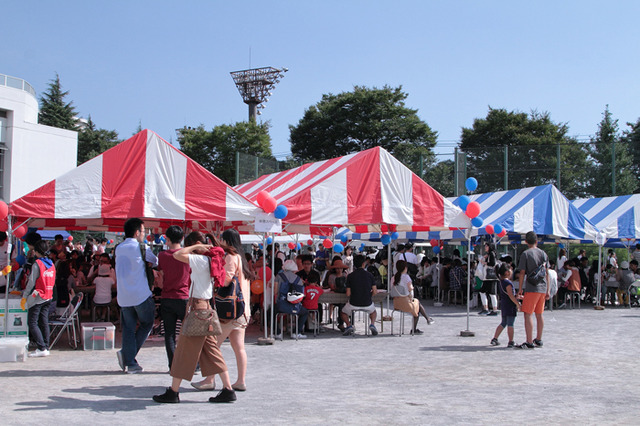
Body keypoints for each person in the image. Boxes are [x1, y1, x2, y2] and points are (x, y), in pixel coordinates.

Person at [153, 232, 237, 404]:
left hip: (198, 309)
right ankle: (228, 389)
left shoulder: (200, 261)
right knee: (213, 351)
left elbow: (177, 254)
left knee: (184, 350)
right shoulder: (211, 261)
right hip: (205, 308)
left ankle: (173, 391)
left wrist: (195, 247)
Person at [192, 228, 253, 393]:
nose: (220, 241)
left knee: (213, 346)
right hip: (242, 309)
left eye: (222, 239)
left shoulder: (230, 257)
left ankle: (210, 380)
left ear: (227, 241)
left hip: (229, 311)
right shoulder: (242, 258)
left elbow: (226, 281)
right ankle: (240, 381)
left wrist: (214, 276)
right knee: (239, 347)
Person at [115, 218, 158, 374]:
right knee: (147, 323)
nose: (144, 234)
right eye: (143, 231)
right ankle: (129, 357)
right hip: (140, 295)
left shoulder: (118, 248)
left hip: (123, 297)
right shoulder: (141, 248)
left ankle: (130, 361)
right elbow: (155, 261)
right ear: (137, 232)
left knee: (128, 328)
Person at [156, 225, 190, 370]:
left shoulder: (162, 256)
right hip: (184, 297)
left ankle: (173, 365)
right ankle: (191, 364)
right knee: (189, 333)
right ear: (182, 238)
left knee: (169, 334)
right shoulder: (187, 256)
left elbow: (160, 276)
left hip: (167, 297)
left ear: (167, 239)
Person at [517, 231, 550, 349]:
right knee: (539, 314)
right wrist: (548, 290)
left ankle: (529, 341)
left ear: (526, 242)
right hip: (543, 287)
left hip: (532, 287)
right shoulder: (543, 253)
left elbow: (522, 273)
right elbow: (547, 273)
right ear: (537, 241)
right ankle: (539, 339)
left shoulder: (526, 254)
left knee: (528, 314)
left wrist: (520, 288)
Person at [22, 240, 55, 357]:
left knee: (32, 322)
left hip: (38, 296)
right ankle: (46, 346)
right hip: (49, 296)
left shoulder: (37, 264)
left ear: (36, 251)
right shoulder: (51, 263)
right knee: (44, 321)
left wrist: (25, 296)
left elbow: (31, 282)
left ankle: (41, 347)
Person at [390, 259, 434, 335]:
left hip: (396, 303)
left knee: (417, 304)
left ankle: (427, 319)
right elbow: (410, 288)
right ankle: (422, 322)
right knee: (417, 306)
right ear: (405, 268)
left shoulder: (393, 278)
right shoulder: (406, 277)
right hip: (406, 303)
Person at [341, 254, 379, 336]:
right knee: (373, 312)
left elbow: (348, 293)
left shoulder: (350, 276)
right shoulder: (370, 275)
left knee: (343, 312)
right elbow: (375, 291)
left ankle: (348, 325)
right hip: (367, 302)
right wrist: (369, 295)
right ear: (364, 263)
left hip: (353, 303)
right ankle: (372, 324)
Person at [275, 260, 308, 339]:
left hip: (281, 306)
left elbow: (275, 291)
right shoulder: (298, 279)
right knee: (305, 312)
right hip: (295, 307)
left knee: (270, 312)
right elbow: (302, 295)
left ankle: (278, 332)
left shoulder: (279, 276)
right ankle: (297, 332)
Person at [491, 263, 520, 348]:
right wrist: (517, 304)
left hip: (504, 304)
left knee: (503, 323)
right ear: (507, 272)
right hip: (510, 305)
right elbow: (511, 295)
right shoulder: (508, 283)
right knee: (510, 323)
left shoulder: (501, 282)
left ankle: (495, 338)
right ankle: (511, 341)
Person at [93, 253, 116, 321]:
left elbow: (93, 284)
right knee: (105, 305)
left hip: (97, 299)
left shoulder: (97, 279)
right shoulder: (110, 280)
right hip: (108, 299)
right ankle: (103, 316)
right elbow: (114, 285)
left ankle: (97, 316)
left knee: (94, 303)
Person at [479, 242, 499, 316]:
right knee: (488, 292)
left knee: (489, 292)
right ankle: (490, 308)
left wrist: (484, 262)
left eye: (486, 246)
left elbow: (492, 263)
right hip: (489, 277)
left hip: (489, 277)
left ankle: (491, 308)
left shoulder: (491, 254)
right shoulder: (491, 254)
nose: (485, 247)